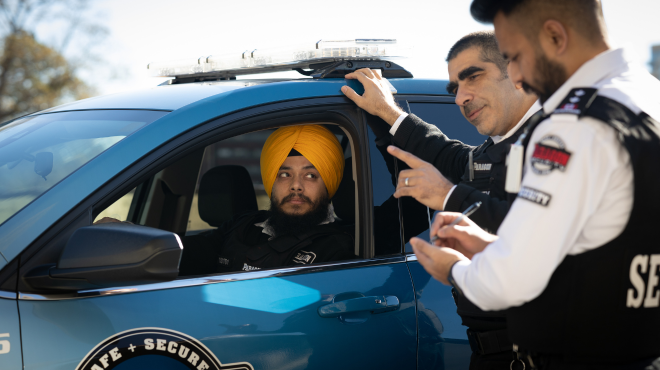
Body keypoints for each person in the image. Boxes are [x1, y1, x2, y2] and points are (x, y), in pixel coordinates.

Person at [410, 0, 660, 368]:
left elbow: (509, 280)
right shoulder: (645, 94)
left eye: (515, 56)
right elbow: (598, 240)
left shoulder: (572, 127)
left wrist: (452, 269)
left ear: (555, 36)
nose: (516, 76)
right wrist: (493, 244)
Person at [342, 32, 538, 368]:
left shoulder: (555, 145)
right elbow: (446, 153)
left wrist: (447, 195)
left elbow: (539, 239)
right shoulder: (492, 151)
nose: (461, 98)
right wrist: (387, 111)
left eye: (473, 77)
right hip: (490, 353)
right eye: (455, 89)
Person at [179, 124, 356, 275]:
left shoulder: (337, 250)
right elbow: (181, 256)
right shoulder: (242, 225)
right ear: (271, 180)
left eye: (310, 175)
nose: (296, 185)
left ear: (328, 183)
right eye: (285, 174)